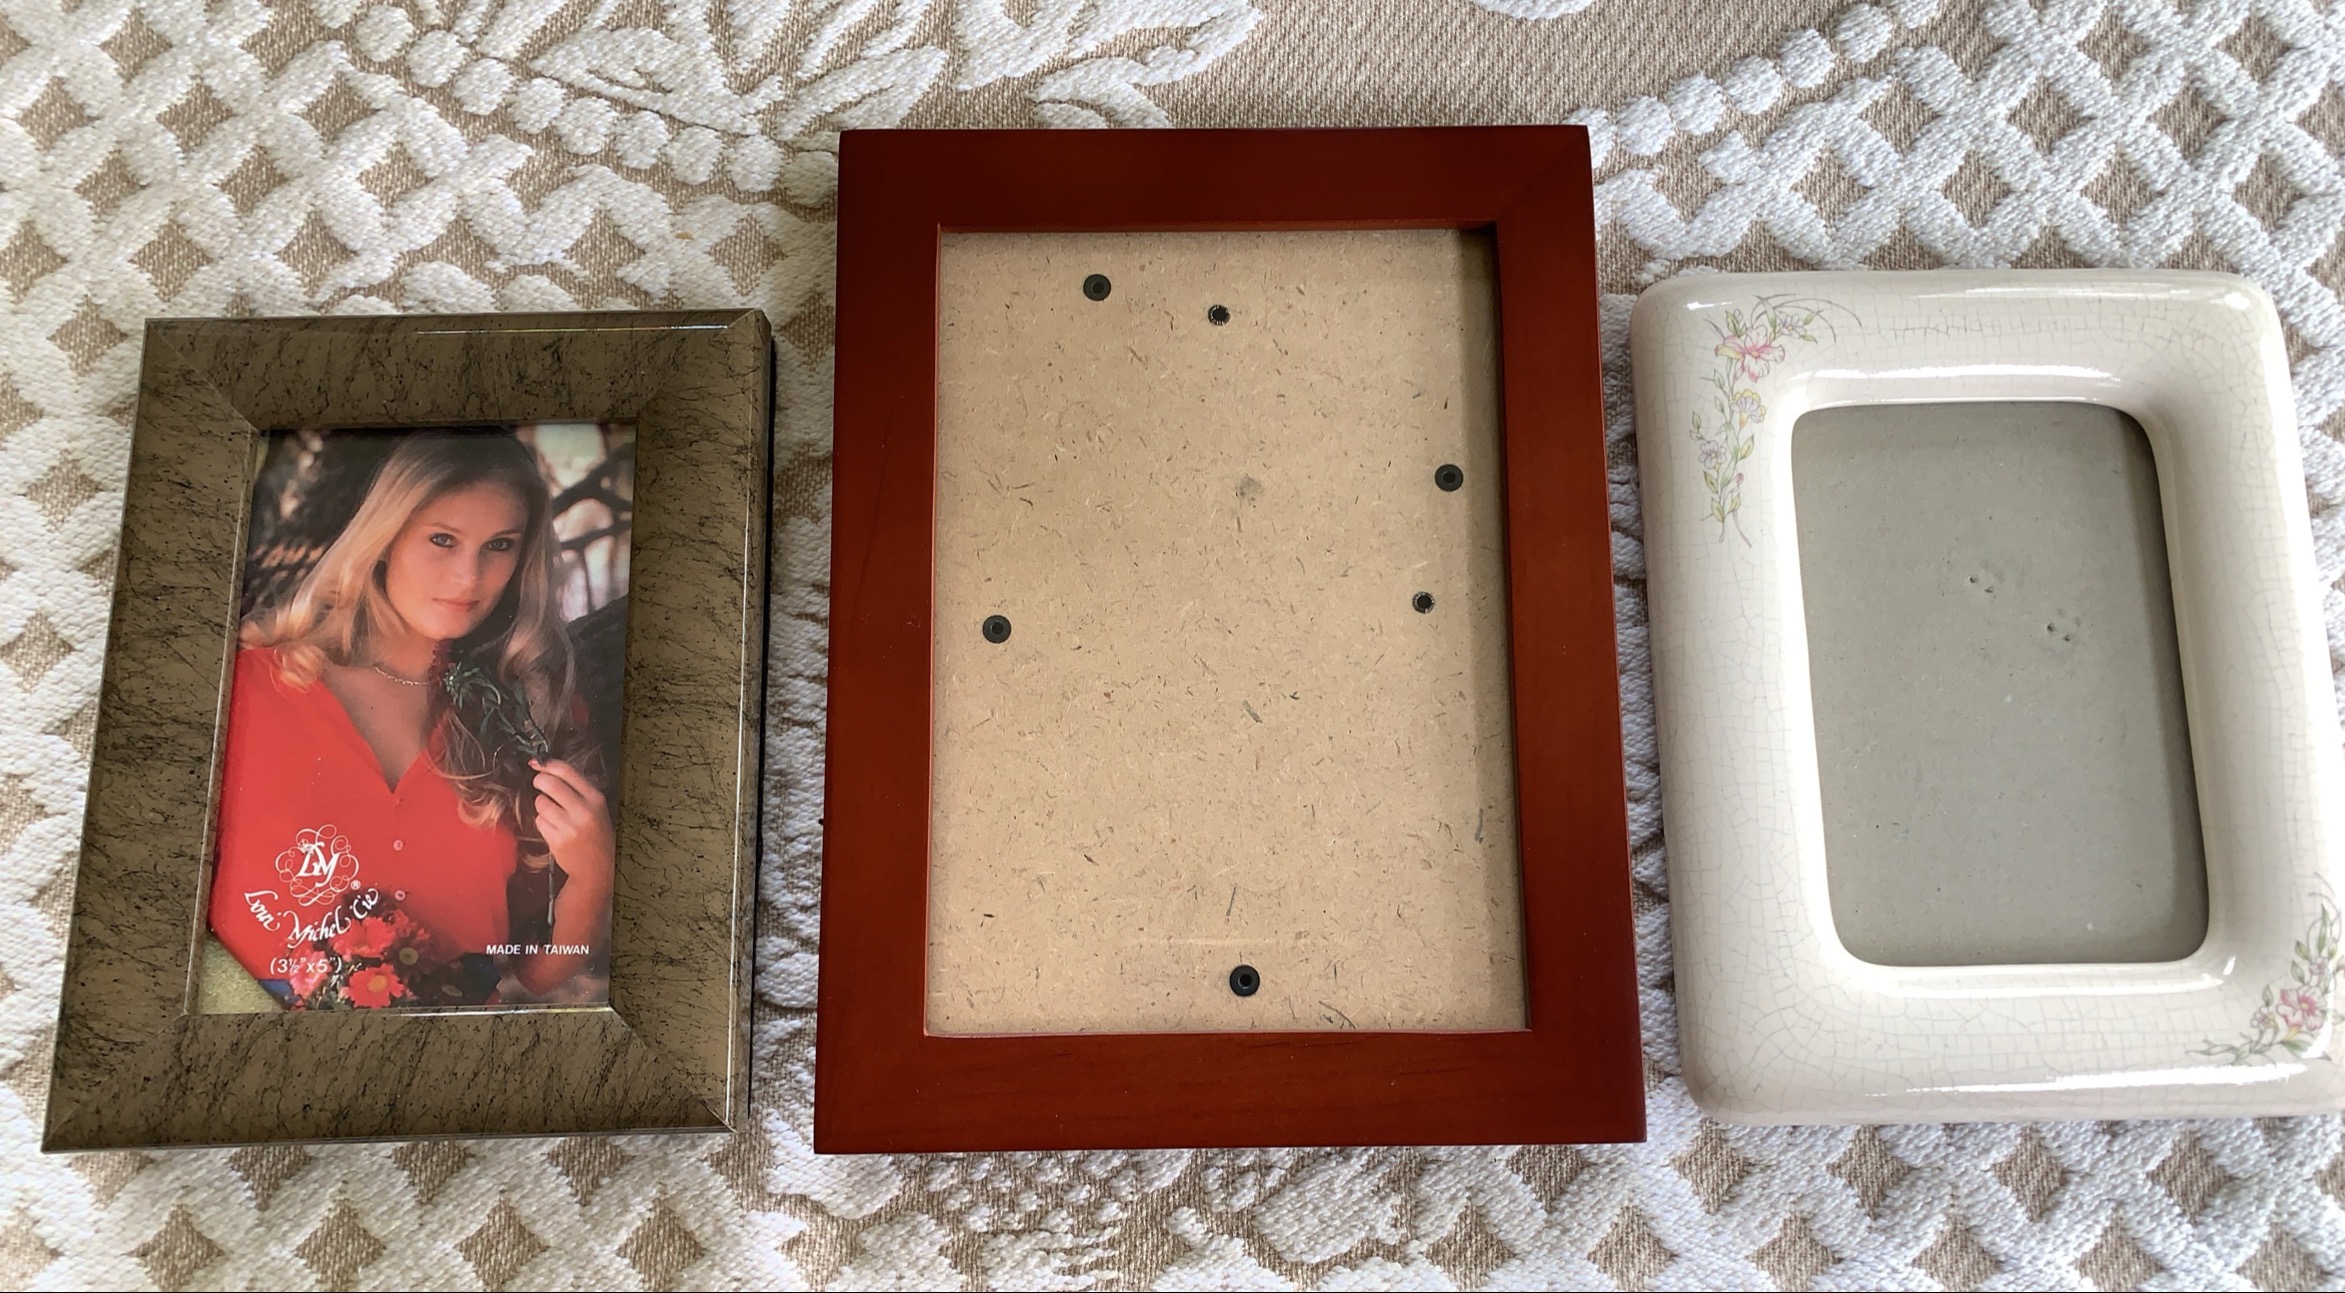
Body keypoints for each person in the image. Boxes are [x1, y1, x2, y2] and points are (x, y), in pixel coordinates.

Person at [207, 430, 614, 1008]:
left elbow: (540, 973)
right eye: (442, 540)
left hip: (456, 1053)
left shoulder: (532, 713)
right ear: (385, 538)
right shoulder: (246, 689)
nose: (468, 577)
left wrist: (595, 872)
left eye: (499, 545)